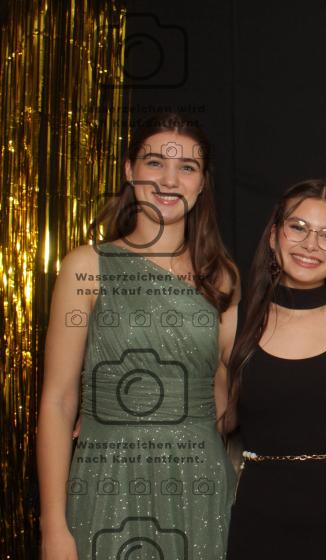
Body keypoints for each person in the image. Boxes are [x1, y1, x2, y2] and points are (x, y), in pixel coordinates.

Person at [37, 113, 240, 559]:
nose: (169, 180)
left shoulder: (222, 277)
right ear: (130, 170)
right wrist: (53, 528)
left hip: (199, 485)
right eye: (155, 163)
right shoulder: (87, 266)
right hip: (108, 477)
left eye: (187, 167)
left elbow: (227, 394)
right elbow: (58, 401)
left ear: (202, 183)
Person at [223, 180, 326, 558]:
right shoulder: (233, 323)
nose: (311, 244)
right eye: (298, 227)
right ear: (273, 237)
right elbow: (215, 420)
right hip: (260, 519)